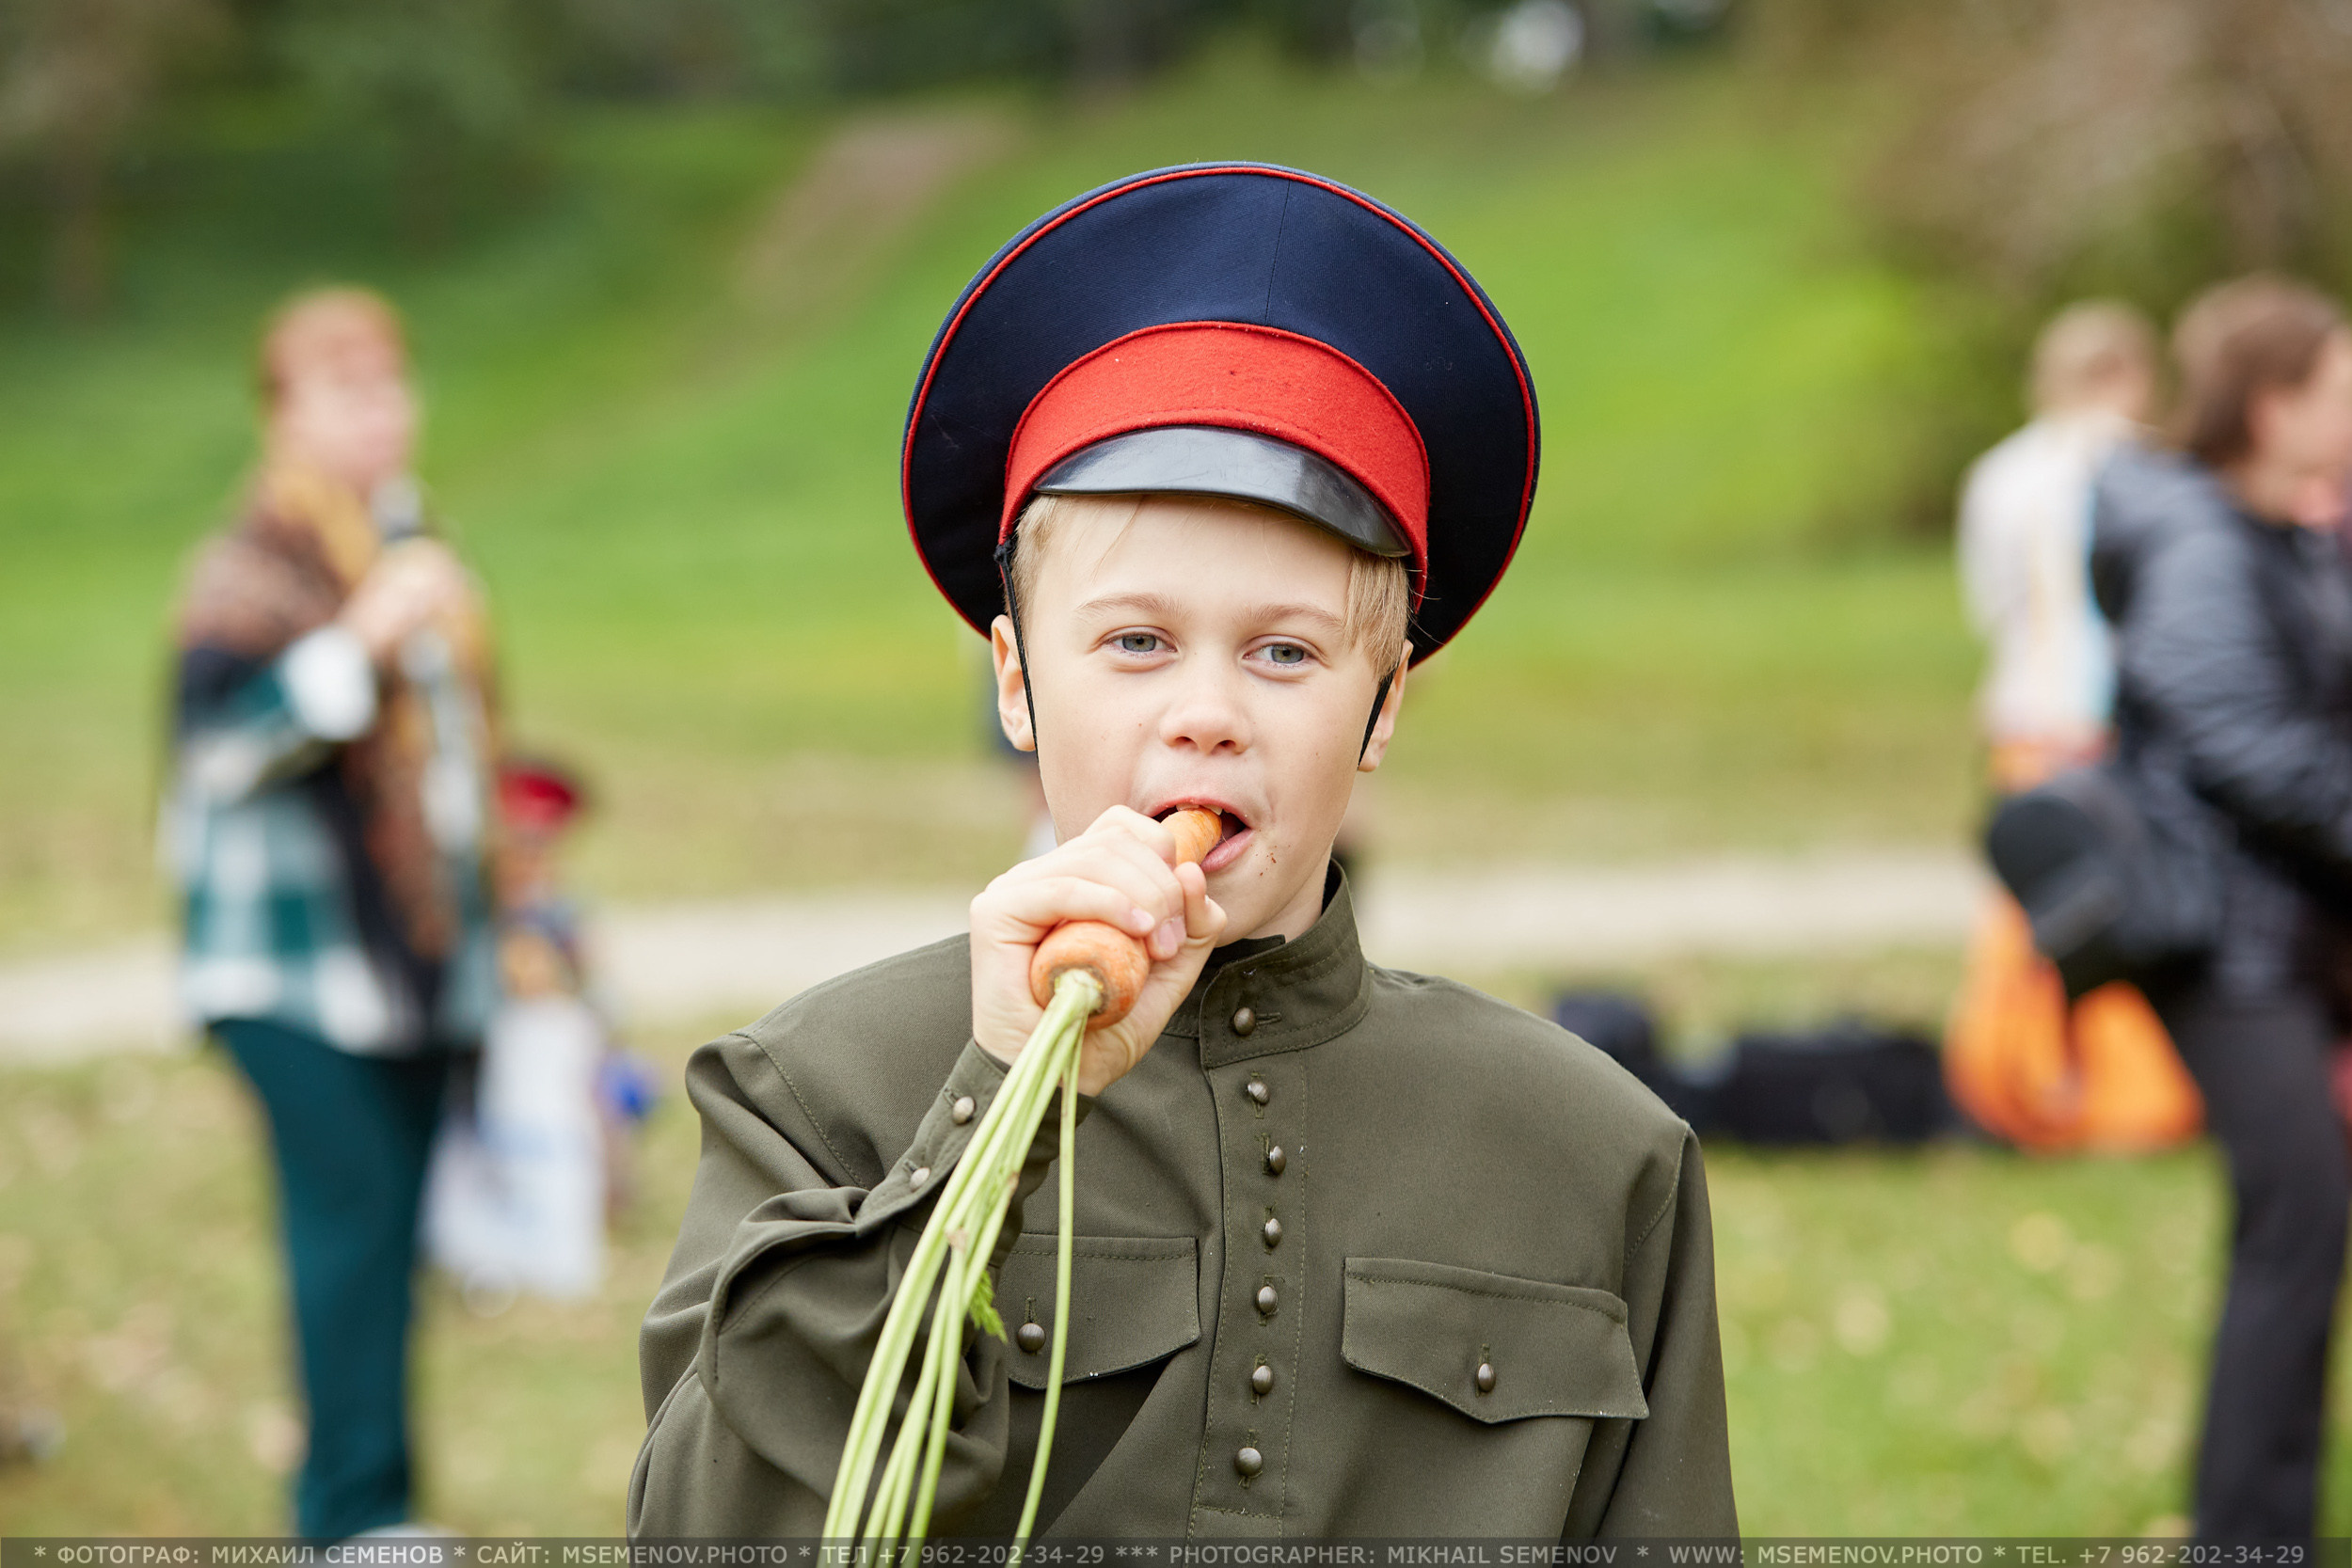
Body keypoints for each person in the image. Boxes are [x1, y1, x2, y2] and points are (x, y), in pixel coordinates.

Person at [630, 165, 1735, 1536]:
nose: (1206, 714)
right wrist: (992, 1108)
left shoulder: (1594, 1147)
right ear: (1017, 683)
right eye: (1137, 641)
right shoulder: (814, 1094)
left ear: (1384, 702)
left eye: (1285, 651)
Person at [165, 288, 500, 1539]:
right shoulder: (251, 563)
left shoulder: (402, 541)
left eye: (391, 383)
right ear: (283, 413)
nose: (379, 412)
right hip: (285, 970)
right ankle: (349, 1513)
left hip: (407, 963)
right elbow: (216, 753)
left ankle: (379, 1508)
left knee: (394, 1232)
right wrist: (358, 640)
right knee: (350, 1223)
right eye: (344, 389)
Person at [2090, 275, 2352, 1537]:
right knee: (2299, 1216)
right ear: (2273, 404)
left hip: (2285, 939)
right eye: (2341, 389)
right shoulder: (2202, 542)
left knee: (2304, 1222)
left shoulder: (2279, 531)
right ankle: (2252, 1534)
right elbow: (2243, 744)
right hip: (2221, 942)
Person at [1944, 302, 2203, 1151]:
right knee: (2120, 905)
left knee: (2028, 915)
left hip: (2025, 714)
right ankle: (2129, 1099)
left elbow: (1990, 603)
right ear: (2130, 373)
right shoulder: (2146, 468)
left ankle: (2013, 1086)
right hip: (2103, 723)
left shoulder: (2000, 473)